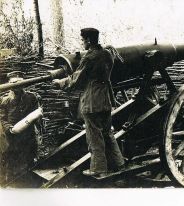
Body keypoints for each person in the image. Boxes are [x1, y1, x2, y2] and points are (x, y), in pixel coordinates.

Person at [52, 28, 125, 177]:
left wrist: (60, 82)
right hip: (105, 100)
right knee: (107, 133)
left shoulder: (90, 57)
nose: (82, 43)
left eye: (83, 40)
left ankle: (98, 169)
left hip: (92, 102)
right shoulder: (107, 54)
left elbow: (77, 79)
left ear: (89, 40)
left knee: (94, 137)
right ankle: (119, 163)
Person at [0, 71, 42, 185]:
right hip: (12, 136)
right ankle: (12, 182)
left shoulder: (32, 97)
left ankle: (28, 181)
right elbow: (2, 118)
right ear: (9, 84)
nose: (16, 86)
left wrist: (38, 127)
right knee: (12, 159)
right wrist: (9, 129)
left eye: (18, 82)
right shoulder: (4, 100)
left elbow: (37, 115)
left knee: (29, 157)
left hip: (29, 135)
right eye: (13, 83)